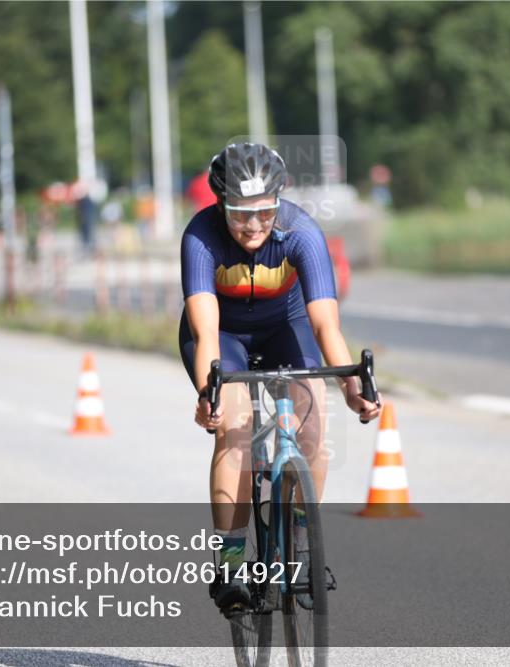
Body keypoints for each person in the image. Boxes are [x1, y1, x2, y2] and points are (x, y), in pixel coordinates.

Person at [178, 142, 382, 612]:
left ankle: (303, 548)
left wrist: (354, 387)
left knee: (314, 422)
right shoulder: (201, 236)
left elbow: (325, 325)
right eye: (239, 214)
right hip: (223, 335)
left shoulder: (301, 232)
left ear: (279, 202)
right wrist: (211, 392)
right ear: (220, 204)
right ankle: (229, 562)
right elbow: (205, 328)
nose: (252, 226)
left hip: (284, 327)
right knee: (235, 429)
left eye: (265, 213)